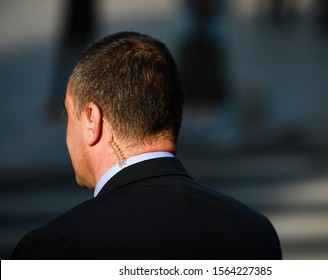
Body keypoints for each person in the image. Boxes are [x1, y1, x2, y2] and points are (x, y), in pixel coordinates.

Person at [11, 32, 282, 259]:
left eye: (68, 114)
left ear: (93, 120)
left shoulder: (59, 247)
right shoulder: (255, 231)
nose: (66, 130)